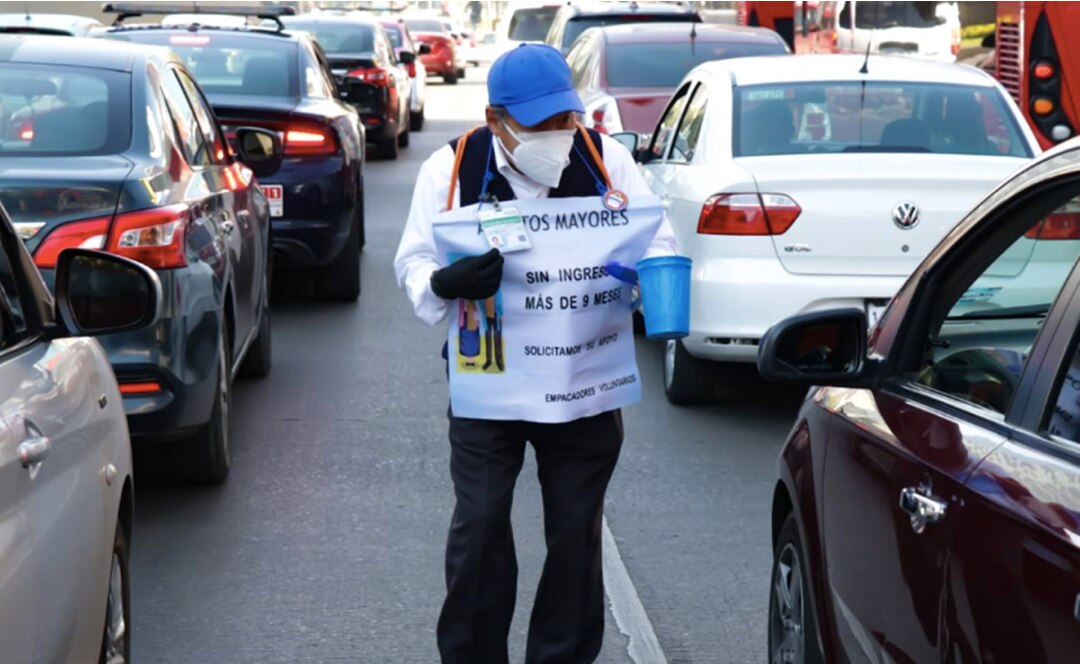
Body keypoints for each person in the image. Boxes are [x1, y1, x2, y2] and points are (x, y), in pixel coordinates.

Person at [394, 43, 676, 664]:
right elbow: (414, 260)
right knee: (480, 527)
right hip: (488, 383)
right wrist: (442, 284)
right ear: (496, 119)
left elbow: (659, 244)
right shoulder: (452, 169)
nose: (559, 136)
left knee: (577, 536)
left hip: (584, 381)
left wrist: (647, 277)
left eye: (566, 120)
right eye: (540, 125)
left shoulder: (609, 164)